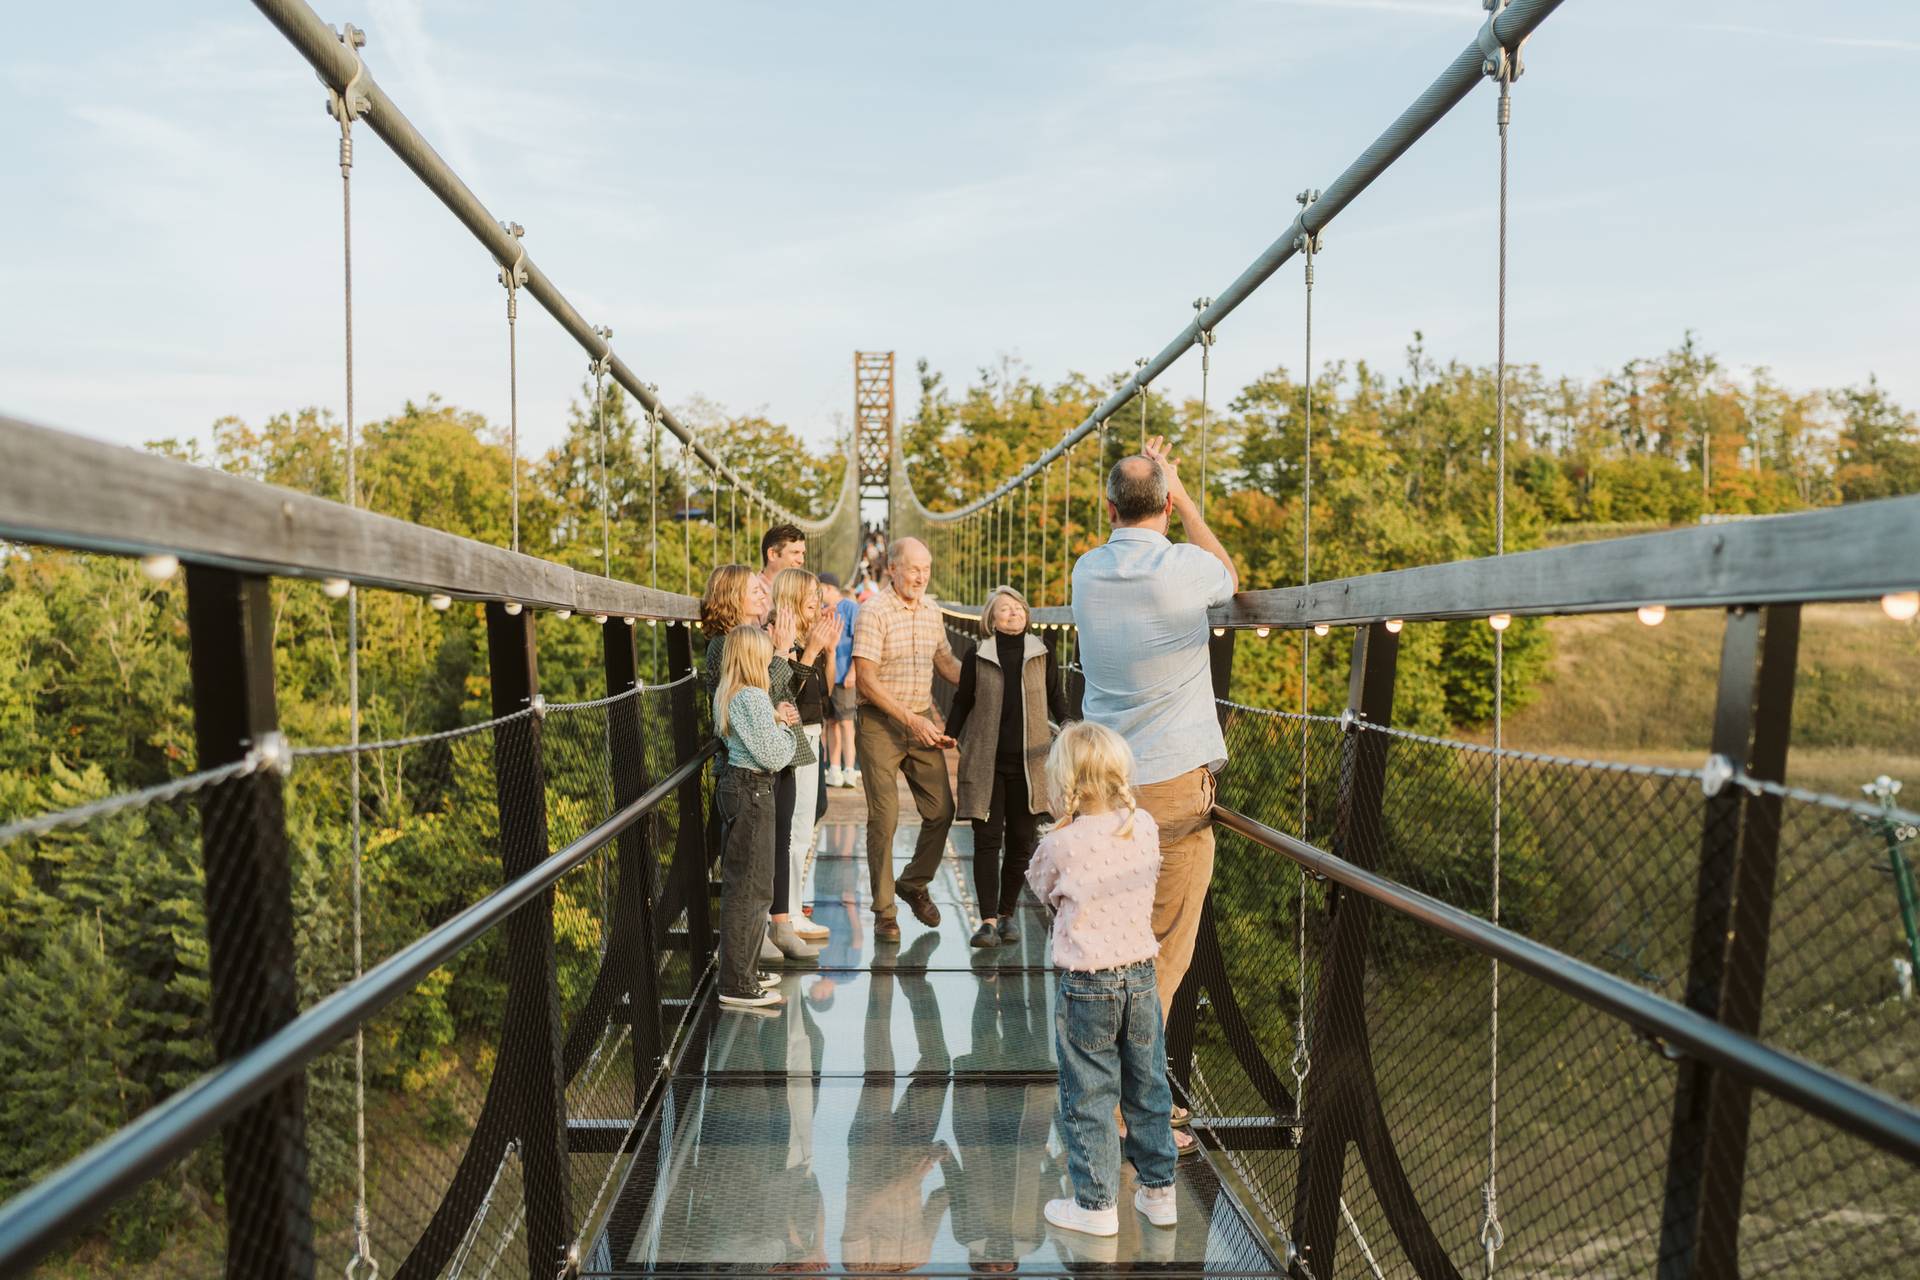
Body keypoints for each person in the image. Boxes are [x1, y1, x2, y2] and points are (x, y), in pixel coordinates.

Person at [1070, 436, 1237, 1150]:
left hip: (1099, 785)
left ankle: (1105, 1095)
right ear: (1165, 504)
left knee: (1107, 944)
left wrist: (1159, 487)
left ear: (1108, 508)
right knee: (1160, 957)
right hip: (1171, 788)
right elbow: (1230, 572)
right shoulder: (1186, 569)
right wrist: (1185, 491)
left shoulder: (1085, 570)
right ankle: (1133, 1111)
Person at [1025, 721, 1178, 1237]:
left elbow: (1042, 891)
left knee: (1089, 1093)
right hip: (1140, 977)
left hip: (1087, 981)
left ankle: (1096, 1205)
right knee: (1149, 1084)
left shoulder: (1060, 843)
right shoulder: (1146, 827)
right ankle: (1160, 1194)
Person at [699, 564, 815, 964]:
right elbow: (752, 702)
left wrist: (788, 652)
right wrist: (782, 653)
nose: (766, 597)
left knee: (776, 842)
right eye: (756, 591)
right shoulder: (724, 646)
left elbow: (784, 696)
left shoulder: (761, 634)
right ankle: (752, 940)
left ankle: (777, 923)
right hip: (748, 766)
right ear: (733, 597)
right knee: (747, 861)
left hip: (777, 755)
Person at [945, 584, 1068, 949]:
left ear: (1026, 614)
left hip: (1032, 762)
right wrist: (950, 734)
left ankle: (1006, 914)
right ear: (991, 619)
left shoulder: (1043, 652)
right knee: (986, 840)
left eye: (1017, 608)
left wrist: (1071, 728)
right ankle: (985, 922)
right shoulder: (977, 654)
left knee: (1020, 841)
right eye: (1004, 609)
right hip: (988, 762)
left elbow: (1056, 697)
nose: (1012, 613)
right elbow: (962, 699)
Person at [850, 537, 960, 942]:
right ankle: (884, 911)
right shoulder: (873, 612)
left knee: (942, 810)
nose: (921, 576)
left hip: (921, 721)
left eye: (926, 569)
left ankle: (913, 883)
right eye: (914, 569)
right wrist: (911, 721)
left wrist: (992, 673)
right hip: (881, 722)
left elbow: (946, 662)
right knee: (885, 816)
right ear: (892, 569)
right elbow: (865, 679)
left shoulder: (932, 610)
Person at [712, 624, 797, 1012]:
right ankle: (737, 982)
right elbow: (775, 756)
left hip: (738, 787)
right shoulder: (752, 697)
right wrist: (790, 733)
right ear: (754, 657)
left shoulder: (730, 693)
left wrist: (774, 722)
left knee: (747, 884)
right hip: (753, 791)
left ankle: (742, 969)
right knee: (752, 888)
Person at [772, 567, 841, 944]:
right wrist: (812, 649)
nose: (817, 599)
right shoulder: (781, 640)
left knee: (807, 822)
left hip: (813, 734)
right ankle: (790, 913)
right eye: (810, 594)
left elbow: (822, 694)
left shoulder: (805, 638)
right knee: (796, 828)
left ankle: (794, 908)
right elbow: (784, 695)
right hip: (794, 739)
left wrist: (826, 651)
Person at [818, 572, 862, 788]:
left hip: (844, 675)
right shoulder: (820, 611)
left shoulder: (851, 608)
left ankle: (850, 769)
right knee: (831, 723)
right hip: (827, 676)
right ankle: (834, 768)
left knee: (846, 722)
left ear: (828, 588)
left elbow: (860, 641)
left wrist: (853, 671)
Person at [760, 522, 808, 595]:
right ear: (772, 554)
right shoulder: (749, 595)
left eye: (803, 553)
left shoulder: (804, 592)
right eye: (795, 552)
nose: (801, 561)